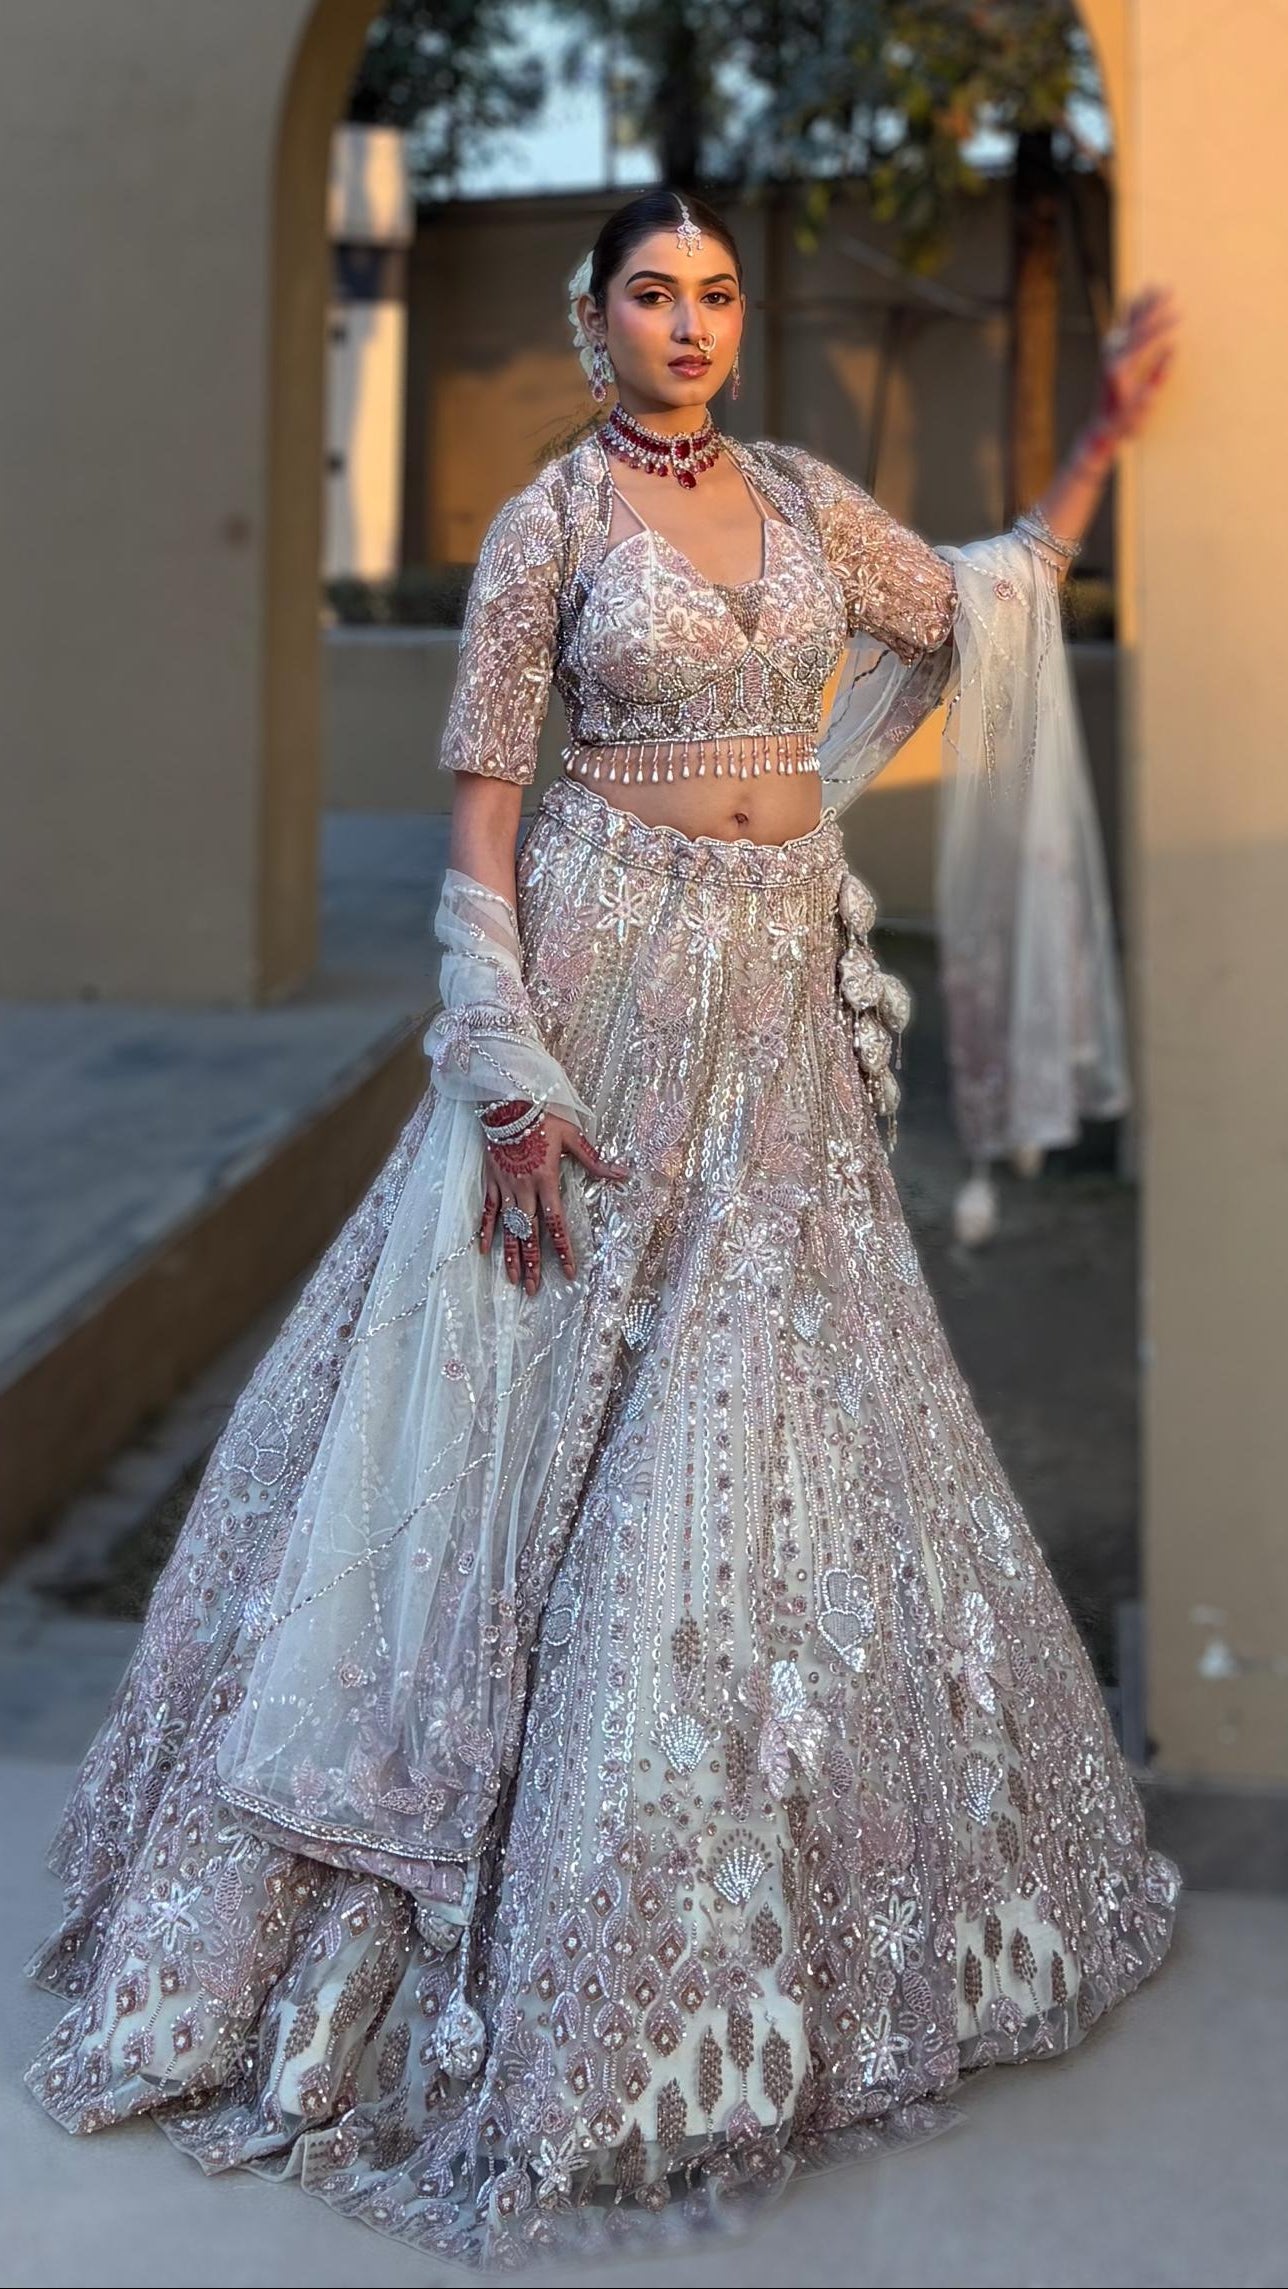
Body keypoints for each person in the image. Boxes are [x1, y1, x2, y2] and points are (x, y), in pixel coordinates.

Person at [26, 189, 1181, 2272]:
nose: (690, 322)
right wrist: (507, 1067)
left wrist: (1091, 449)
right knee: (527, 1427)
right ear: (591, 320)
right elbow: (477, 823)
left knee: (762, 1436)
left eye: (717, 290)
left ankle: (745, 1945)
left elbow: (974, 604)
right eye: (652, 291)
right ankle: (453, 1932)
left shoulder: (813, 499)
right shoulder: (547, 527)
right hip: (603, 981)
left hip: (773, 1013)